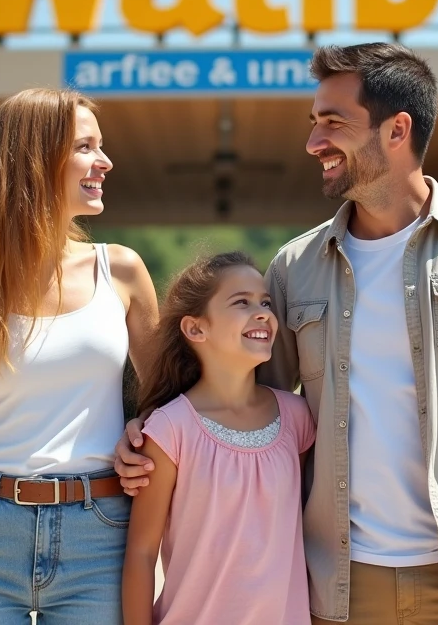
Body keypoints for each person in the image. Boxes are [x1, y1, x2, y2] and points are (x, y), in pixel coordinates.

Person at [118, 43, 438, 624]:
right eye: (314, 123)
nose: (314, 142)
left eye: (333, 123)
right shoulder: (294, 268)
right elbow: (253, 402)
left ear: (397, 129)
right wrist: (148, 430)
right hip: (336, 589)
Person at [0, 88, 159, 625]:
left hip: (101, 535)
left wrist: (141, 435)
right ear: (35, 160)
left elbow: (171, 408)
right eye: (86, 147)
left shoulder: (123, 272)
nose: (105, 162)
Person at [123, 252, 315, 625]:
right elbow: (142, 554)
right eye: (241, 302)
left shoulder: (297, 419)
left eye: (265, 302)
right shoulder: (169, 430)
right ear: (196, 329)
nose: (262, 312)